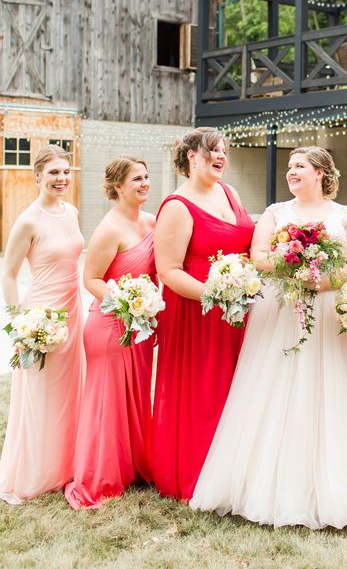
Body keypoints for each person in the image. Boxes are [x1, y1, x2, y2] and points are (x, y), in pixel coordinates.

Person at [190, 146, 347, 529]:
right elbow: (257, 254)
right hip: (280, 311)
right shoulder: (276, 213)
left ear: (322, 174)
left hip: (329, 311)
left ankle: (339, 482)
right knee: (272, 391)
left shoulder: (345, 215)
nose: (292, 173)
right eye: (290, 167)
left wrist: (325, 279)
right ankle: (267, 484)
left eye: (300, 167)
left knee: (336, 392)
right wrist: (290, 266)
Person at [152, 127, 254, 501]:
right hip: (197, 312)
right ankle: (196, 471)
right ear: (191, 156)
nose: (221, 156)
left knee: (238, 389)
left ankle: (236, 471)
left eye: (224, 150)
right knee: (204, 393)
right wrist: (215, 294)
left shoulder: (230, 192)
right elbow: (169, 270)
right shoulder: (177, 205)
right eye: (213, 150)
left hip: (238, 308)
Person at [65, 157, 156, 509]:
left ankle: (133, 466)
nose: (145, 183)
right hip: (110, 325)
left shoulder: (152, 221)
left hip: (141, 325)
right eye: (137, 179)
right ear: (118, 186)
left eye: (147, 177)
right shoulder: (108, 228)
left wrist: (147, 311)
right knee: (108, 403)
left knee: (134, 399)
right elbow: (91, 279)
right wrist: (125, 302)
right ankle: (100, 477)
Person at [0, 145, 85, 503]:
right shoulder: (28, 220)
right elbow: (9, 272)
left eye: (66, 172)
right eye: (53, 173)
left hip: (74, 311)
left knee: (70, 395)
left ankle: (65, 466)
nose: (61, 178)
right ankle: (35, 473)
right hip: (43, 318)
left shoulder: (73, 212)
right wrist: (22, 322)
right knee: (40, 397)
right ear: (37, 176)